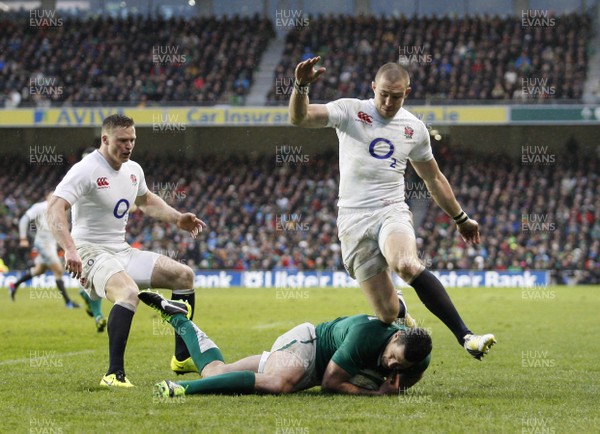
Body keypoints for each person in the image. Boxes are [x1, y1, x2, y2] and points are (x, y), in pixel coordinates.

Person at [288, 57, 495, 359]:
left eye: (396, 96)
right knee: (386, 313)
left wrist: (460, 218)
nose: (387, 101)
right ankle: (401, 309)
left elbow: (433, 177)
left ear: (406, 93)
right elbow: (300, 117)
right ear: (373, 87)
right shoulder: (350, 111)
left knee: (406, 264)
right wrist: (301, 86)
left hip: (391, 210)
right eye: (383, 93)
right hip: (352, 220)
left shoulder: (414, 128)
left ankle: (466, 336)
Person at [47, 114, 206, 387]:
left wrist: (177, 217)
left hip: (120, 250)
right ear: (105, 139)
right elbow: (54, 208)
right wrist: (70, 249)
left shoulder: (133, 169)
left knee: (184, 276)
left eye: (132, 139)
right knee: (128, 292)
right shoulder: (86, 169)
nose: (129, 145)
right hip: (88, 251)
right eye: (122, 140)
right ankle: (113, 374)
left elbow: (146, 200)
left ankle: (181, 356)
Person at [137, 291, 432, 397]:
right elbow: (331, 383)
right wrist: (377, 394)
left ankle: (180, 320)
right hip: (308, 346)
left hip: (314, 365)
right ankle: (179, 389)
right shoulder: (365, 336)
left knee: (215, 372)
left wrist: (398, 383)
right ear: (394, 337)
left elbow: (403, 381)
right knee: (279, 384)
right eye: (393, 357)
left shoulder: (418, 357)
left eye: (399, 365)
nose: (392, 365)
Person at [10, 191, 80, 309]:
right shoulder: (41, 207)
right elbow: (24, 219)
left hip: (50, 245)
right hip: (43, 244)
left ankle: (14, 285)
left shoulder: (58, 210)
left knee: (39, 270)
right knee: (58, 270)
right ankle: (68, 302)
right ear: (47, 196)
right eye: (52, 195)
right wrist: (23, 238)